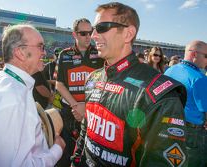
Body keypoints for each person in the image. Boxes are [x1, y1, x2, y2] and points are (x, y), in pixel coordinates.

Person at [71, 2, 188, 167]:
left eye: (102, 27)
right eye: (92, 30)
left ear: (128, 34)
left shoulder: (159, 93)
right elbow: (86, 130)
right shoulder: (93, 78)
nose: (93, 36)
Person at [0, 24, 65, 167]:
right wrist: (57, 149)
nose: (44, 53)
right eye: (40, 46)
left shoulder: (8, 82)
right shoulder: (11, 95)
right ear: (20, 52)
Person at [55, 18, 104, 166]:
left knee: (90, 155)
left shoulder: (100, 54)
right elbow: (59, 84)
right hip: (70, 111)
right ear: (74, 35)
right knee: (66, 154)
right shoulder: (64, 55)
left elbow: (104, 84)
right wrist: (77, 106)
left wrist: (86, 107)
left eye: (90, 32)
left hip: (93, 112)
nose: (88, 36)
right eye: (83, 33)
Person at [165, 40, 207, 167]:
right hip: (192, 134)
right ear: (194, 54)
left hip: (168, 126)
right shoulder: (199, 79)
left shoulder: (170, 70)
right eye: (206, 56)